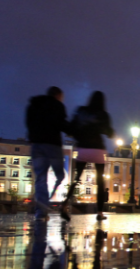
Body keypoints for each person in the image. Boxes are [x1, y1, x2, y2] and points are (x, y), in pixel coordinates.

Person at [64, 91, 114, 222]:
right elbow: (109, 132)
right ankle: (100, 212)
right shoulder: (103, 114)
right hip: (98, 150)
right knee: (100, 182)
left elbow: (71, 128)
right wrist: (108, 131)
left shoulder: (81, 111)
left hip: (83, 148)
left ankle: (64, 205)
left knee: (76, 180)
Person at [26, 86, 71, 220]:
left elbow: (28, 123)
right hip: (53, 145)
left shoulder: (33, 105)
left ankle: (42, 211)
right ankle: (48, 199)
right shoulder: (57, 105)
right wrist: (73, 131)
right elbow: (61, 124)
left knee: (40, 178)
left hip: (37, 145)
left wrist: (33, 137)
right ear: (58, 96)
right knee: (60, 175)